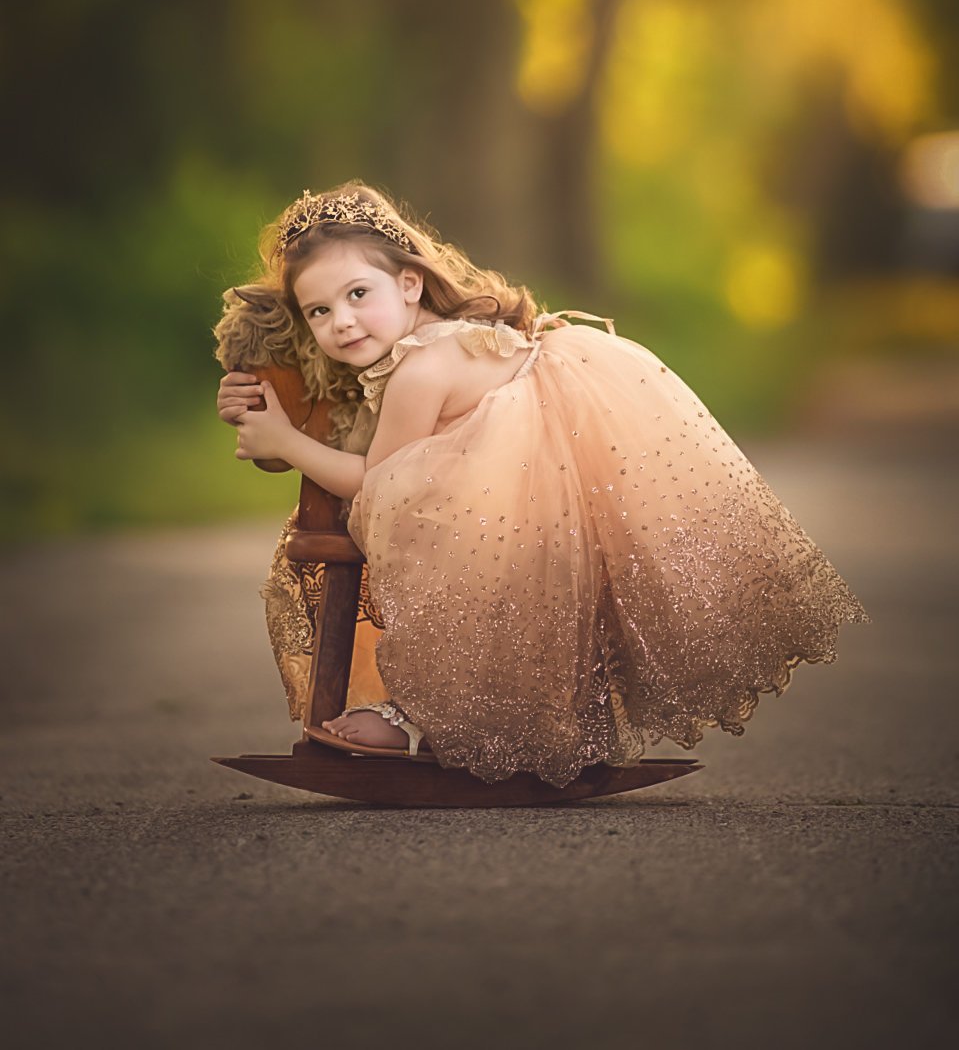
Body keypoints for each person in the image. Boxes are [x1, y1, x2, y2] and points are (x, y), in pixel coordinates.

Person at [214, 180, 871, 788]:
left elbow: (374, 484)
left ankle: (428, 717)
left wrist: (285, 441)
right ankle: (524, 718)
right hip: (545, 508)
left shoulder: (420, 369)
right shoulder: (446, 340)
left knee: (409, 531)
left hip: (506, 523)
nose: (341, 321)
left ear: (410, 283)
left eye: (358, 294)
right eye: (319, 310)